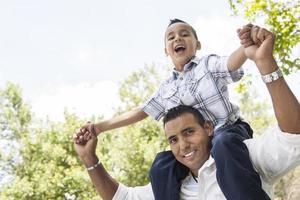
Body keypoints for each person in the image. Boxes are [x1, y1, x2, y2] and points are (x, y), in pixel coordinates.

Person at [74, 25, 300, 199]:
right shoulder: (166, 89)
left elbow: (231, 63)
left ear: (197, 44)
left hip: (229, 133)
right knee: (161, 164)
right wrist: (99, 128)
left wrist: (248, 47)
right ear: (166, 51)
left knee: (222, 145)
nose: (177, 39)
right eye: (171, 37)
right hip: (211, 144)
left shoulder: (207, 65)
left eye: (184, 34)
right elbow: (141, 111)